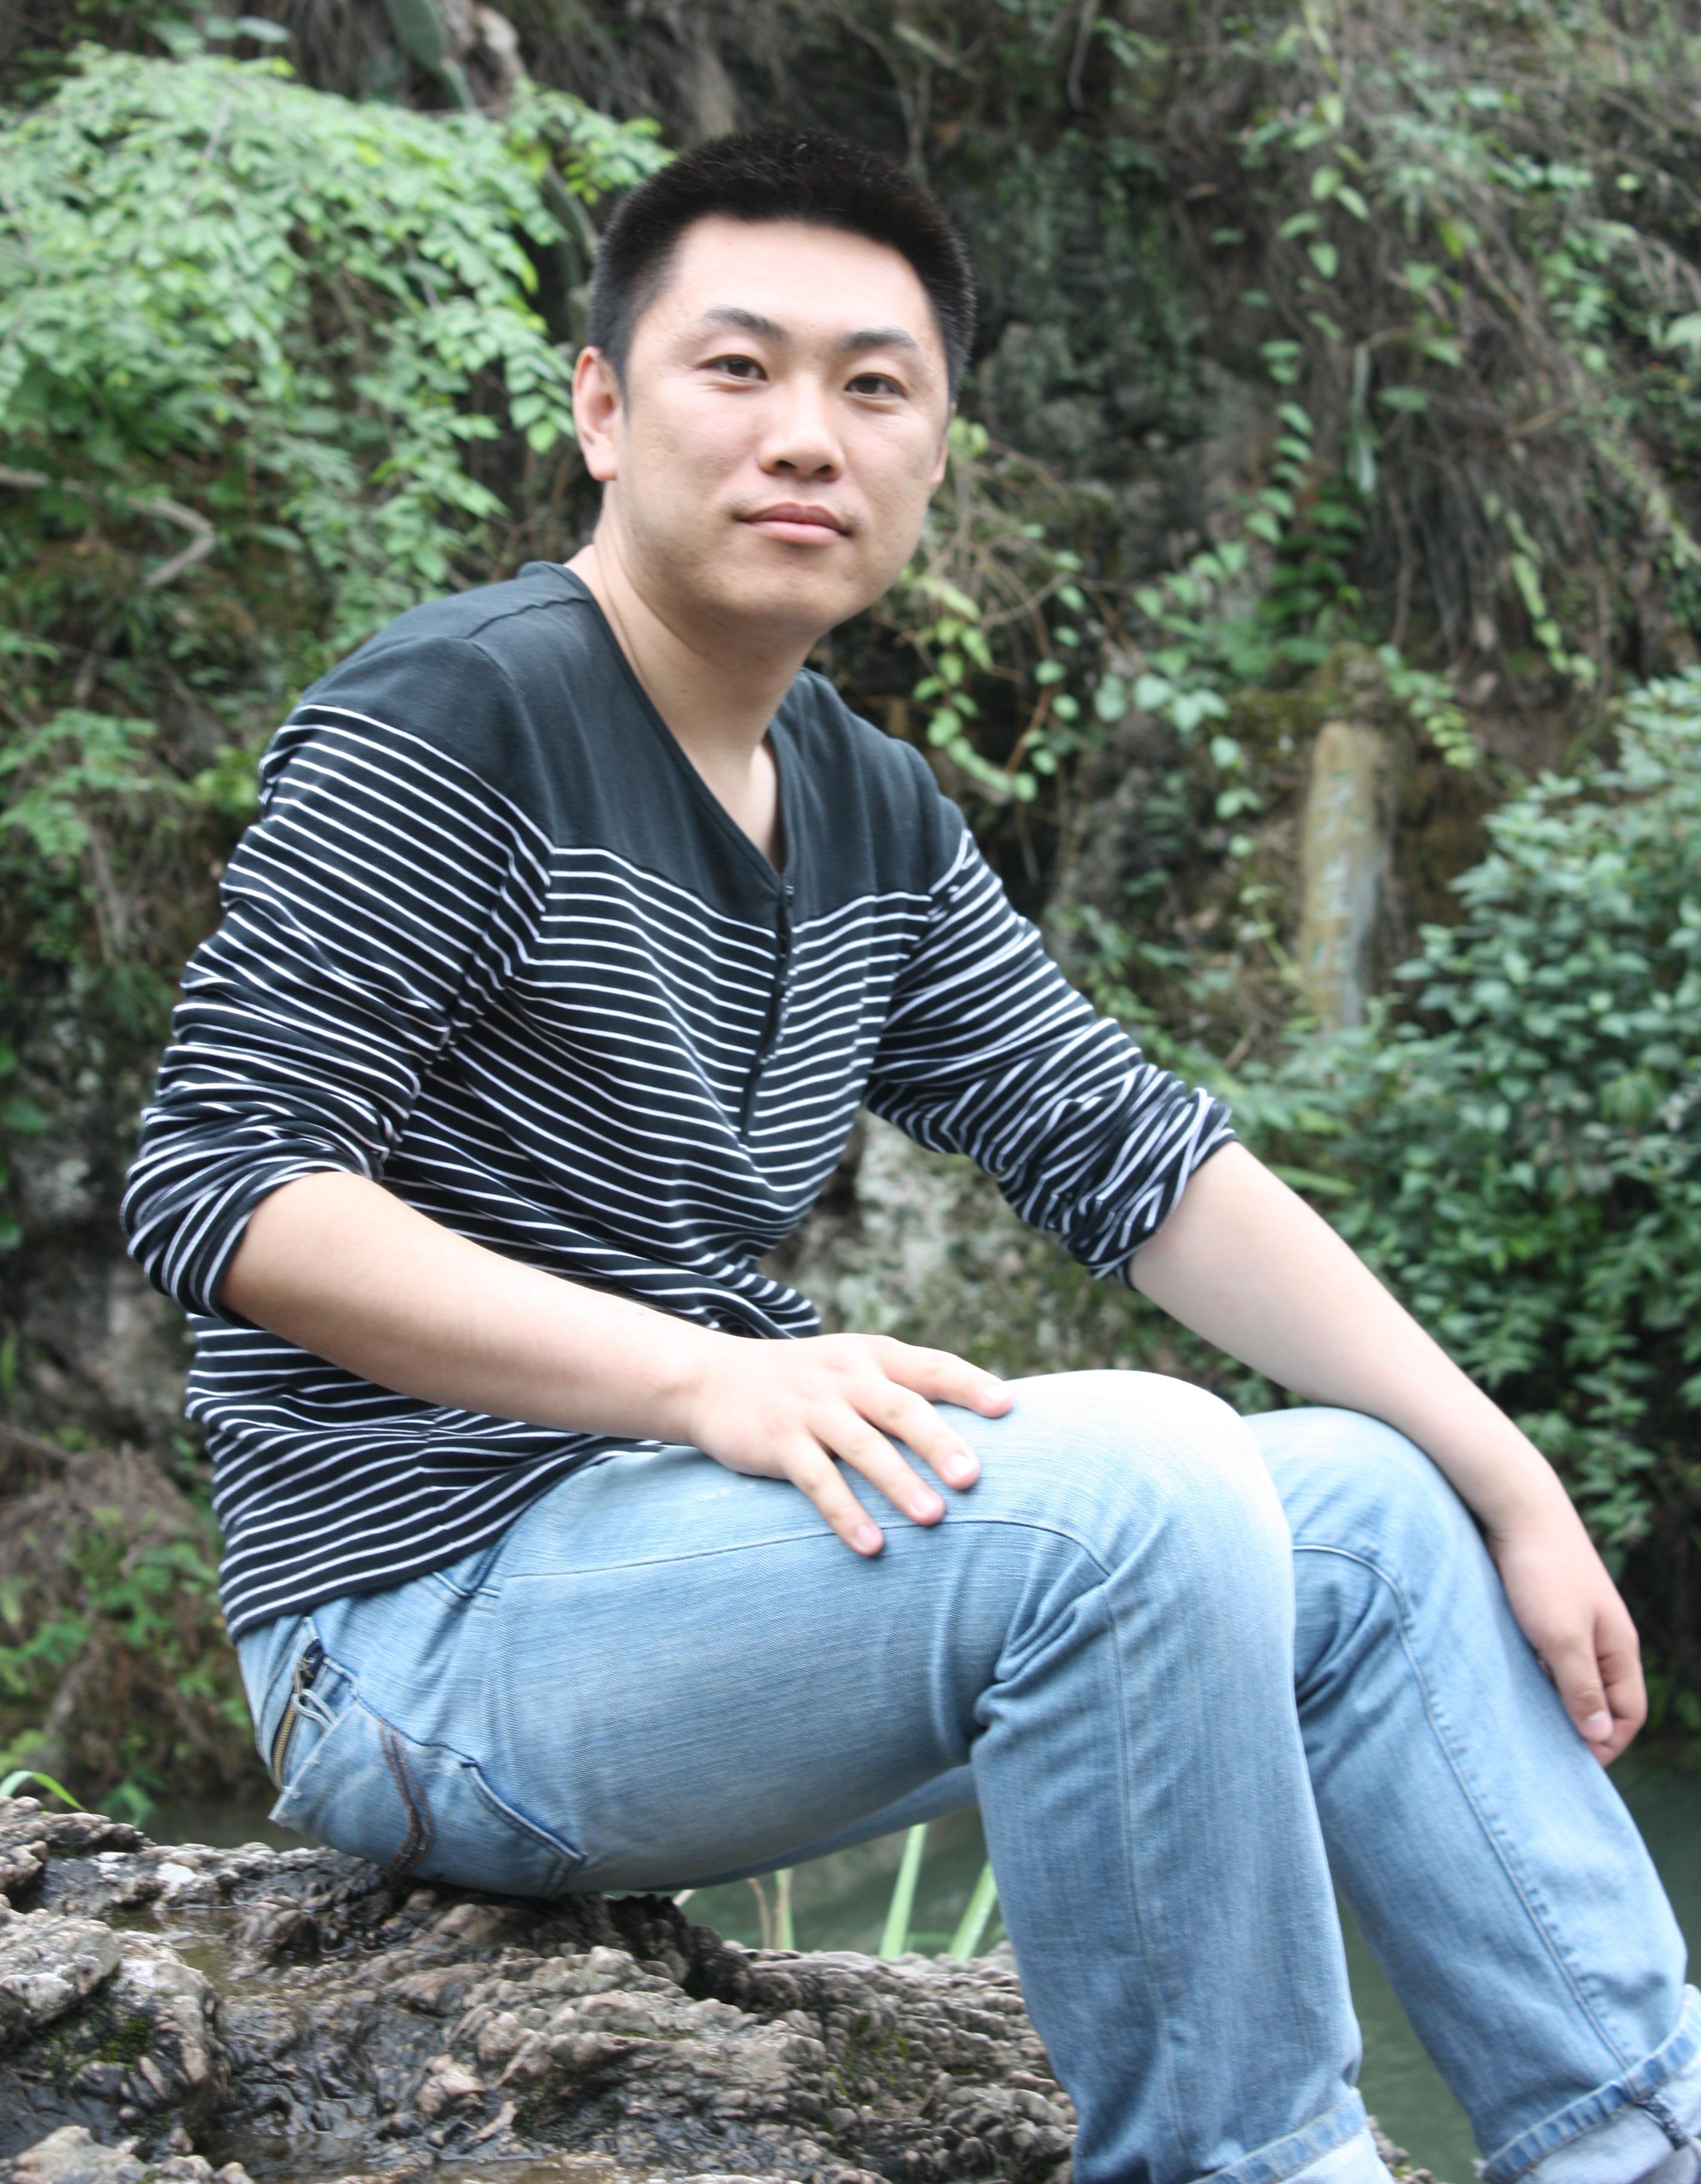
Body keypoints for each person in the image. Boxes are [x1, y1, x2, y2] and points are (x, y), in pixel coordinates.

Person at [123, 128, 1695, 2184]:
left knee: (1381, 1513)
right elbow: (227, 1184)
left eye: (875, 387)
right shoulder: (462, 718)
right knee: (1135, 1483)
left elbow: (1132, 1156)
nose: (808, 435)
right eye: (736, 368)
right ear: (601, 409)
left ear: (937, 453)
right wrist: (708, 1380)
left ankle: (1635, 2147)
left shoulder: (865, 804)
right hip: (422, 1632)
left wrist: (1514, 1478)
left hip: (704, 1566)